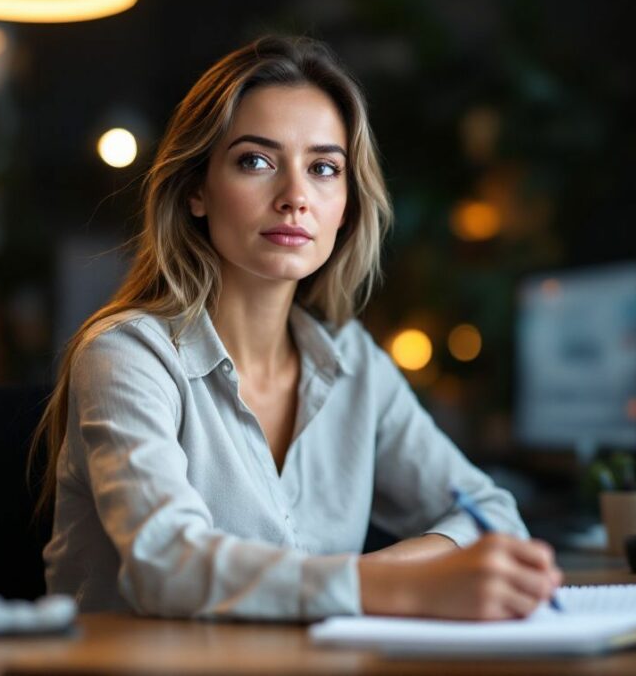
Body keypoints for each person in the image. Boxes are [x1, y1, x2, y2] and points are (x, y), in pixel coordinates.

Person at [31, 36, 562, 621]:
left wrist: (380, 574)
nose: (295, 197)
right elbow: (167, 565)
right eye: (255, 161)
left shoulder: (353, 362)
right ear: (196, 191)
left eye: (323, 168)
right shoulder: (127, 356)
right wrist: (393, 587)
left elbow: (491, 513)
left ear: (347, 205)